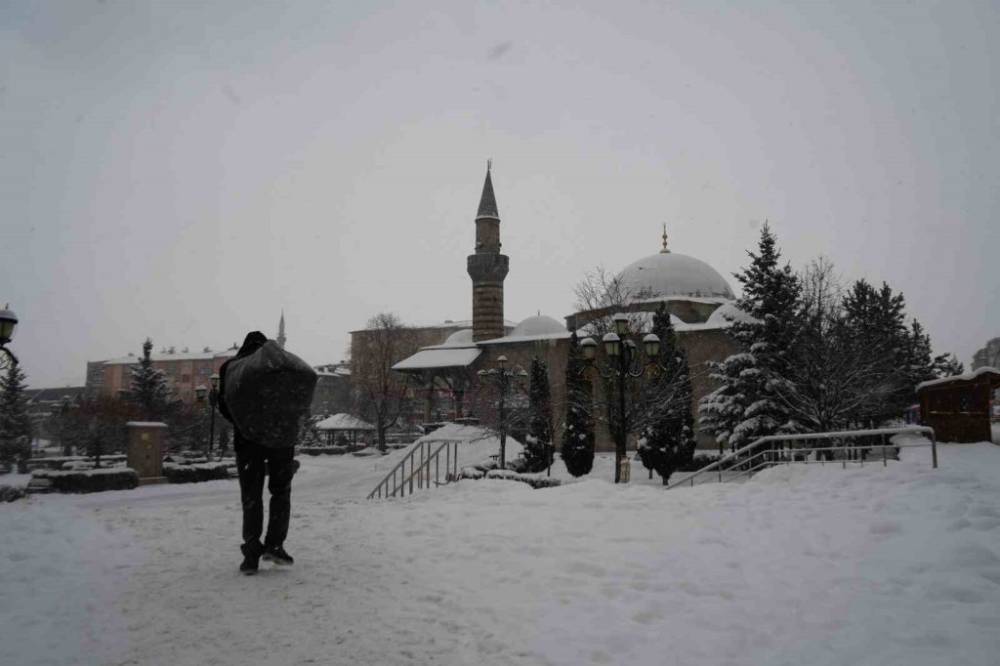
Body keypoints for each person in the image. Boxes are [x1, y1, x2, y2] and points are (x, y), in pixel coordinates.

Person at [217, 331, 298, 575]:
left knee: (251, 496)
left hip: (247, 441)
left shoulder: (231, 368)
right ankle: (275, 546)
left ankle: (251, 554)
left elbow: (225, 404)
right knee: (280, 492)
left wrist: (245, 424)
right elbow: (296, 401)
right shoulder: (279, 366)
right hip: (280, 439)